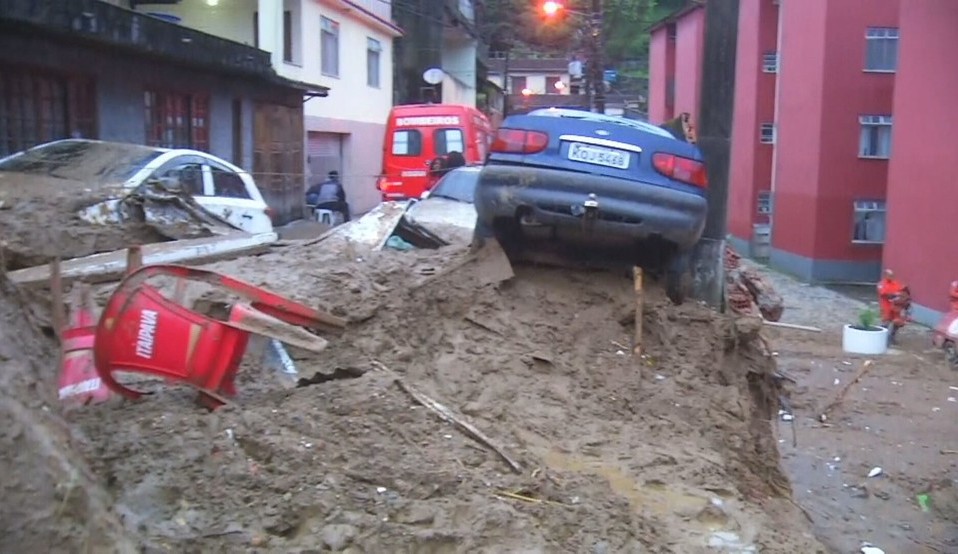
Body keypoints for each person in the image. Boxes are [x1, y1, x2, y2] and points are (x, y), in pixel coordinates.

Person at [877, 269, 910, 343]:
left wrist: (904, 295)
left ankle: (892, 337)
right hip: (886, 306)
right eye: (889, 275)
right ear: (885, 276)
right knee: (886, 322)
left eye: (892, 275)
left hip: (896, 306)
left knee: (897, 322)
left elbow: (902, 292)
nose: (891, 277)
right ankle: (881, 338)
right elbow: (883, 294)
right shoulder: (881, 284)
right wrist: (895, 295)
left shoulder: (896, 283)